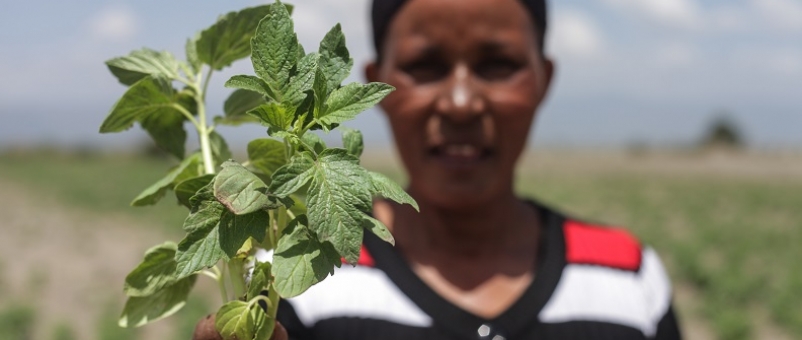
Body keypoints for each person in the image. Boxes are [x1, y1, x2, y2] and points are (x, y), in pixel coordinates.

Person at [275, 0, 683, 339]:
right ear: (373, 87)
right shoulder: (298, 275)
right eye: (425, 66)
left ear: (544, 81)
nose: (460, 103)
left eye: (498, 65)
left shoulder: (626, 279)